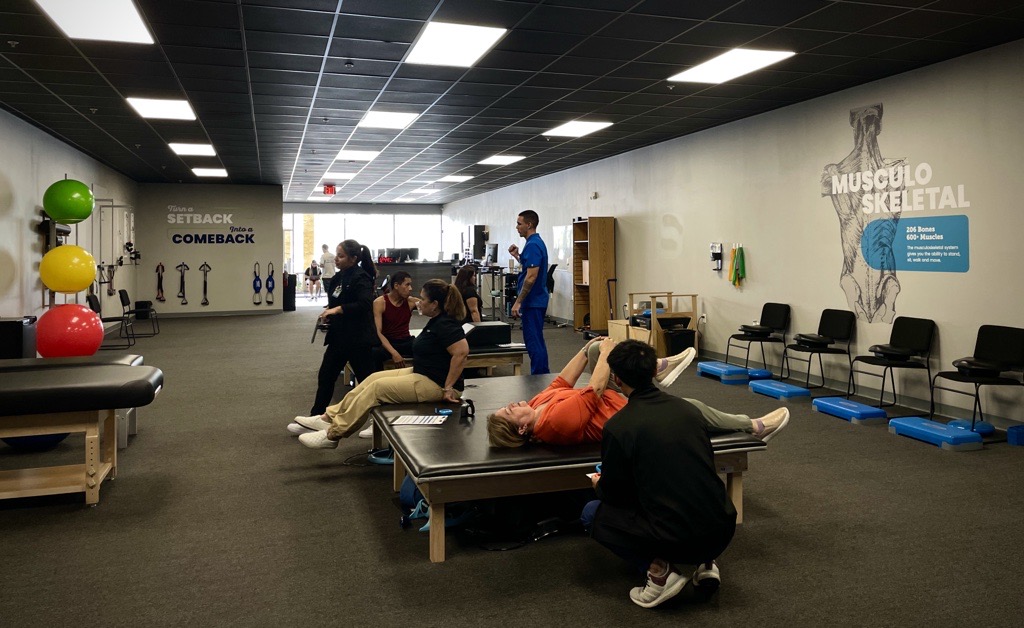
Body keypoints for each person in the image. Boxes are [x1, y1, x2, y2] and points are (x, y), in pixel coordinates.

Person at [585, 340, 742, 609]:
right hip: (722, 529)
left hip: (677, 537)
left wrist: (600, 484)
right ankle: (706, 563)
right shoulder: (690, 410)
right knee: (687, 486)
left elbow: (615, 494)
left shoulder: (618, 427)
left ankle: (660, 574)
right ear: (654, 372)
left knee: (592, 513)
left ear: (617, 379)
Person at [487, 339, 788, 448]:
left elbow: (561, 382)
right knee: (690, 406)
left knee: (593, 349)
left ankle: (656, 367)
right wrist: (606, 351)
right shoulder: (553, 424)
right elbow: (596, 388)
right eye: (509, 411)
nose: (512, 404)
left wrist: (587, 349)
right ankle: (754, 426)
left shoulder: (538, 405)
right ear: (523, 428)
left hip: (617, 399)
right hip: (629, 417)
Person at [289, 279, 469, 448]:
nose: (419, 302)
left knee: (378, 389)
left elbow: (461, 353)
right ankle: (327, 417)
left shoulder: (446, 325)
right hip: (423, 374)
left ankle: (333, 435)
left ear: (435, 305)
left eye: (423, 299)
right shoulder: (436, 321)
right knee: (372, 378)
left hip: (436, 384)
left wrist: (448, 388)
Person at [307, 241, 377, 416]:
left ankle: (376, 421)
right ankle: (316, 417)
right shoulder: (338, 278)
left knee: (367, 382)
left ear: (353, 259)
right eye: (337, 255)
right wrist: (330, 313)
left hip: (358, 339)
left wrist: (339, 309)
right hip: (339, 337)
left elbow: (365, 304)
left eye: (341, 256)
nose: (336, 259)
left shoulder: (362, 277)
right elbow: (336, 301)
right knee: (326, 376)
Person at [356, 271, 420, 440]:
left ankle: (419, 390)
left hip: (405, 340)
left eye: (410, 285)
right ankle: (375, 412)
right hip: (386, 341)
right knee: (374, 354)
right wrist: (394, 353)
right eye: (407, 285)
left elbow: (435, 307)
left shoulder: (412, 302)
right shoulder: (380, 302)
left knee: (424, 348)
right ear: (396, 286)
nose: (410, 288)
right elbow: (378, 332)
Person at [508, 210, 549, 374]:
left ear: (529, 224)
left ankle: (540, 376)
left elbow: (531, 277)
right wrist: (517, 256)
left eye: (519, 223)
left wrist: (518, 301)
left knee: (534, 341)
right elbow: (528, 268)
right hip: (535, 301)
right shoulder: (533, 243)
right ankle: (542, 374)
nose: (517, 227)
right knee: (535, 340)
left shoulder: (533, 244)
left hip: (533, 302)